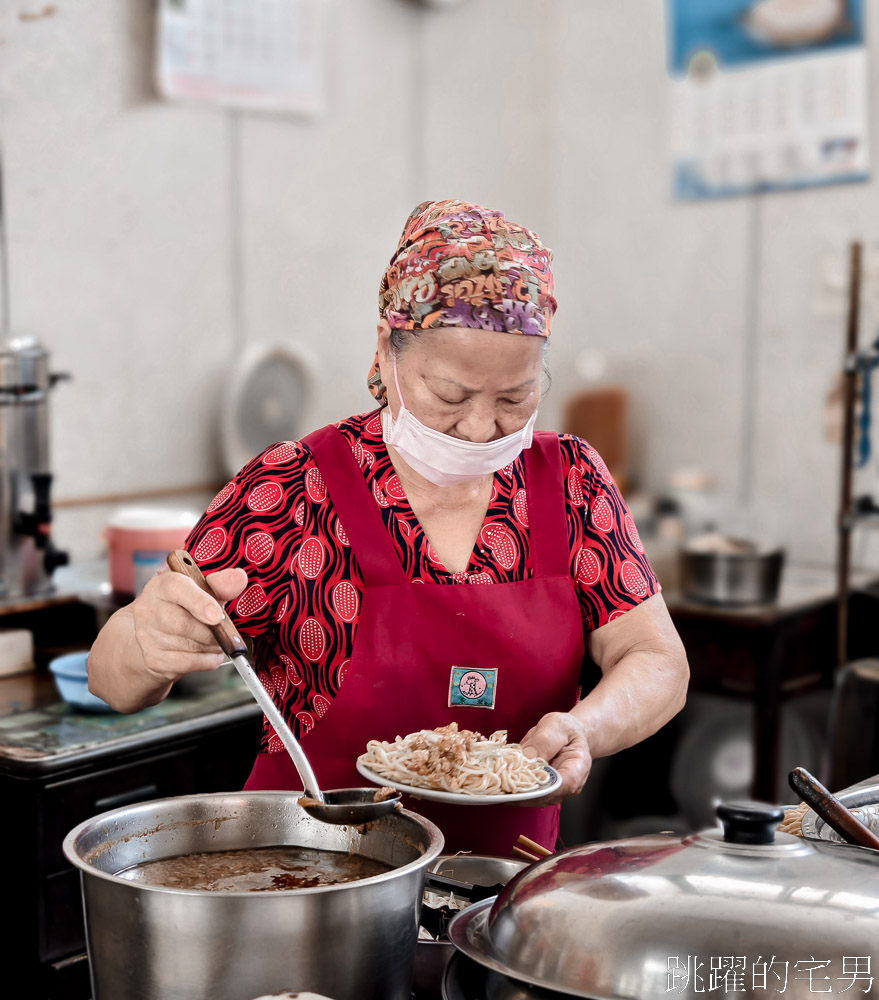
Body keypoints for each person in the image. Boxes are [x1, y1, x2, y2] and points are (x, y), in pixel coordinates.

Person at [89, 199, 689, 855]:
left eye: (514, 399)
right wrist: (146, 643)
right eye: (450, 396)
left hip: (500, 886)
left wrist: (586, 729)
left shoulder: (571, 480)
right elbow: (112, 681)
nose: (481, 428)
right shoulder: (292, 487)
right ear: (388, 351)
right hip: (307, 877)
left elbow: (655, 660)